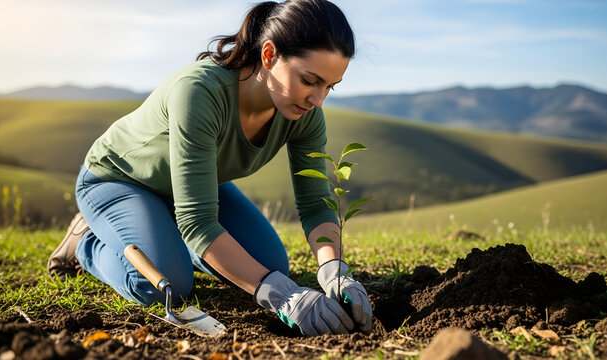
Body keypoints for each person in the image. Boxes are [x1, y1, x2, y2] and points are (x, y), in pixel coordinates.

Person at [47, 0, 372, 336]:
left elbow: (316, 203)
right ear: (270, 55)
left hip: (186, 188)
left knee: (272, 266)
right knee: (166, 284)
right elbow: (199, 222)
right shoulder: (200, 92)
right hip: (118, 179)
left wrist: (333, 268)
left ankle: (161, 234)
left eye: (329, 87)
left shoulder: (305, 116)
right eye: (309, 80)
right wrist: (280, 295)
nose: (318, 100)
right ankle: (86, 243)